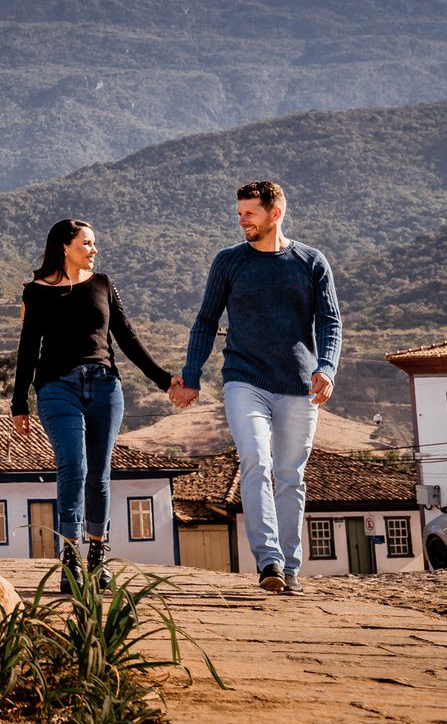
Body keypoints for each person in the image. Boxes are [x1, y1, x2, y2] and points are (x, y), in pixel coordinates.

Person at [171, 180, 341, 595]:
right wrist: (191, 375)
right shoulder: (229, 262)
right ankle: (269, 562)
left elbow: (330, 322)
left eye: (250, 213)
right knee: (255, 460)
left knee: (290, 475)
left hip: (298, 385)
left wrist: (326, 368)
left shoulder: (310, 262)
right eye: (240, 213)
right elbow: (205, 321)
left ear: (275, 213)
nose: (242, 220)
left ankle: (291, 565)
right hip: (244, 379)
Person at [11, 218, 177, 585]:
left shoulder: (103, 284)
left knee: (99, 474)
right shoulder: (36, 292)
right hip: (57, 387)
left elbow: (127, 337)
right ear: (65, 247)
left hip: (104, 386)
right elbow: (28, 347)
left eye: (93, 243)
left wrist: (165, 380)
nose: (94, 249)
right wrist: (19, 403)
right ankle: (71, 556)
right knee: (74, 466)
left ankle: (98, 555)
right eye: (86, 243)